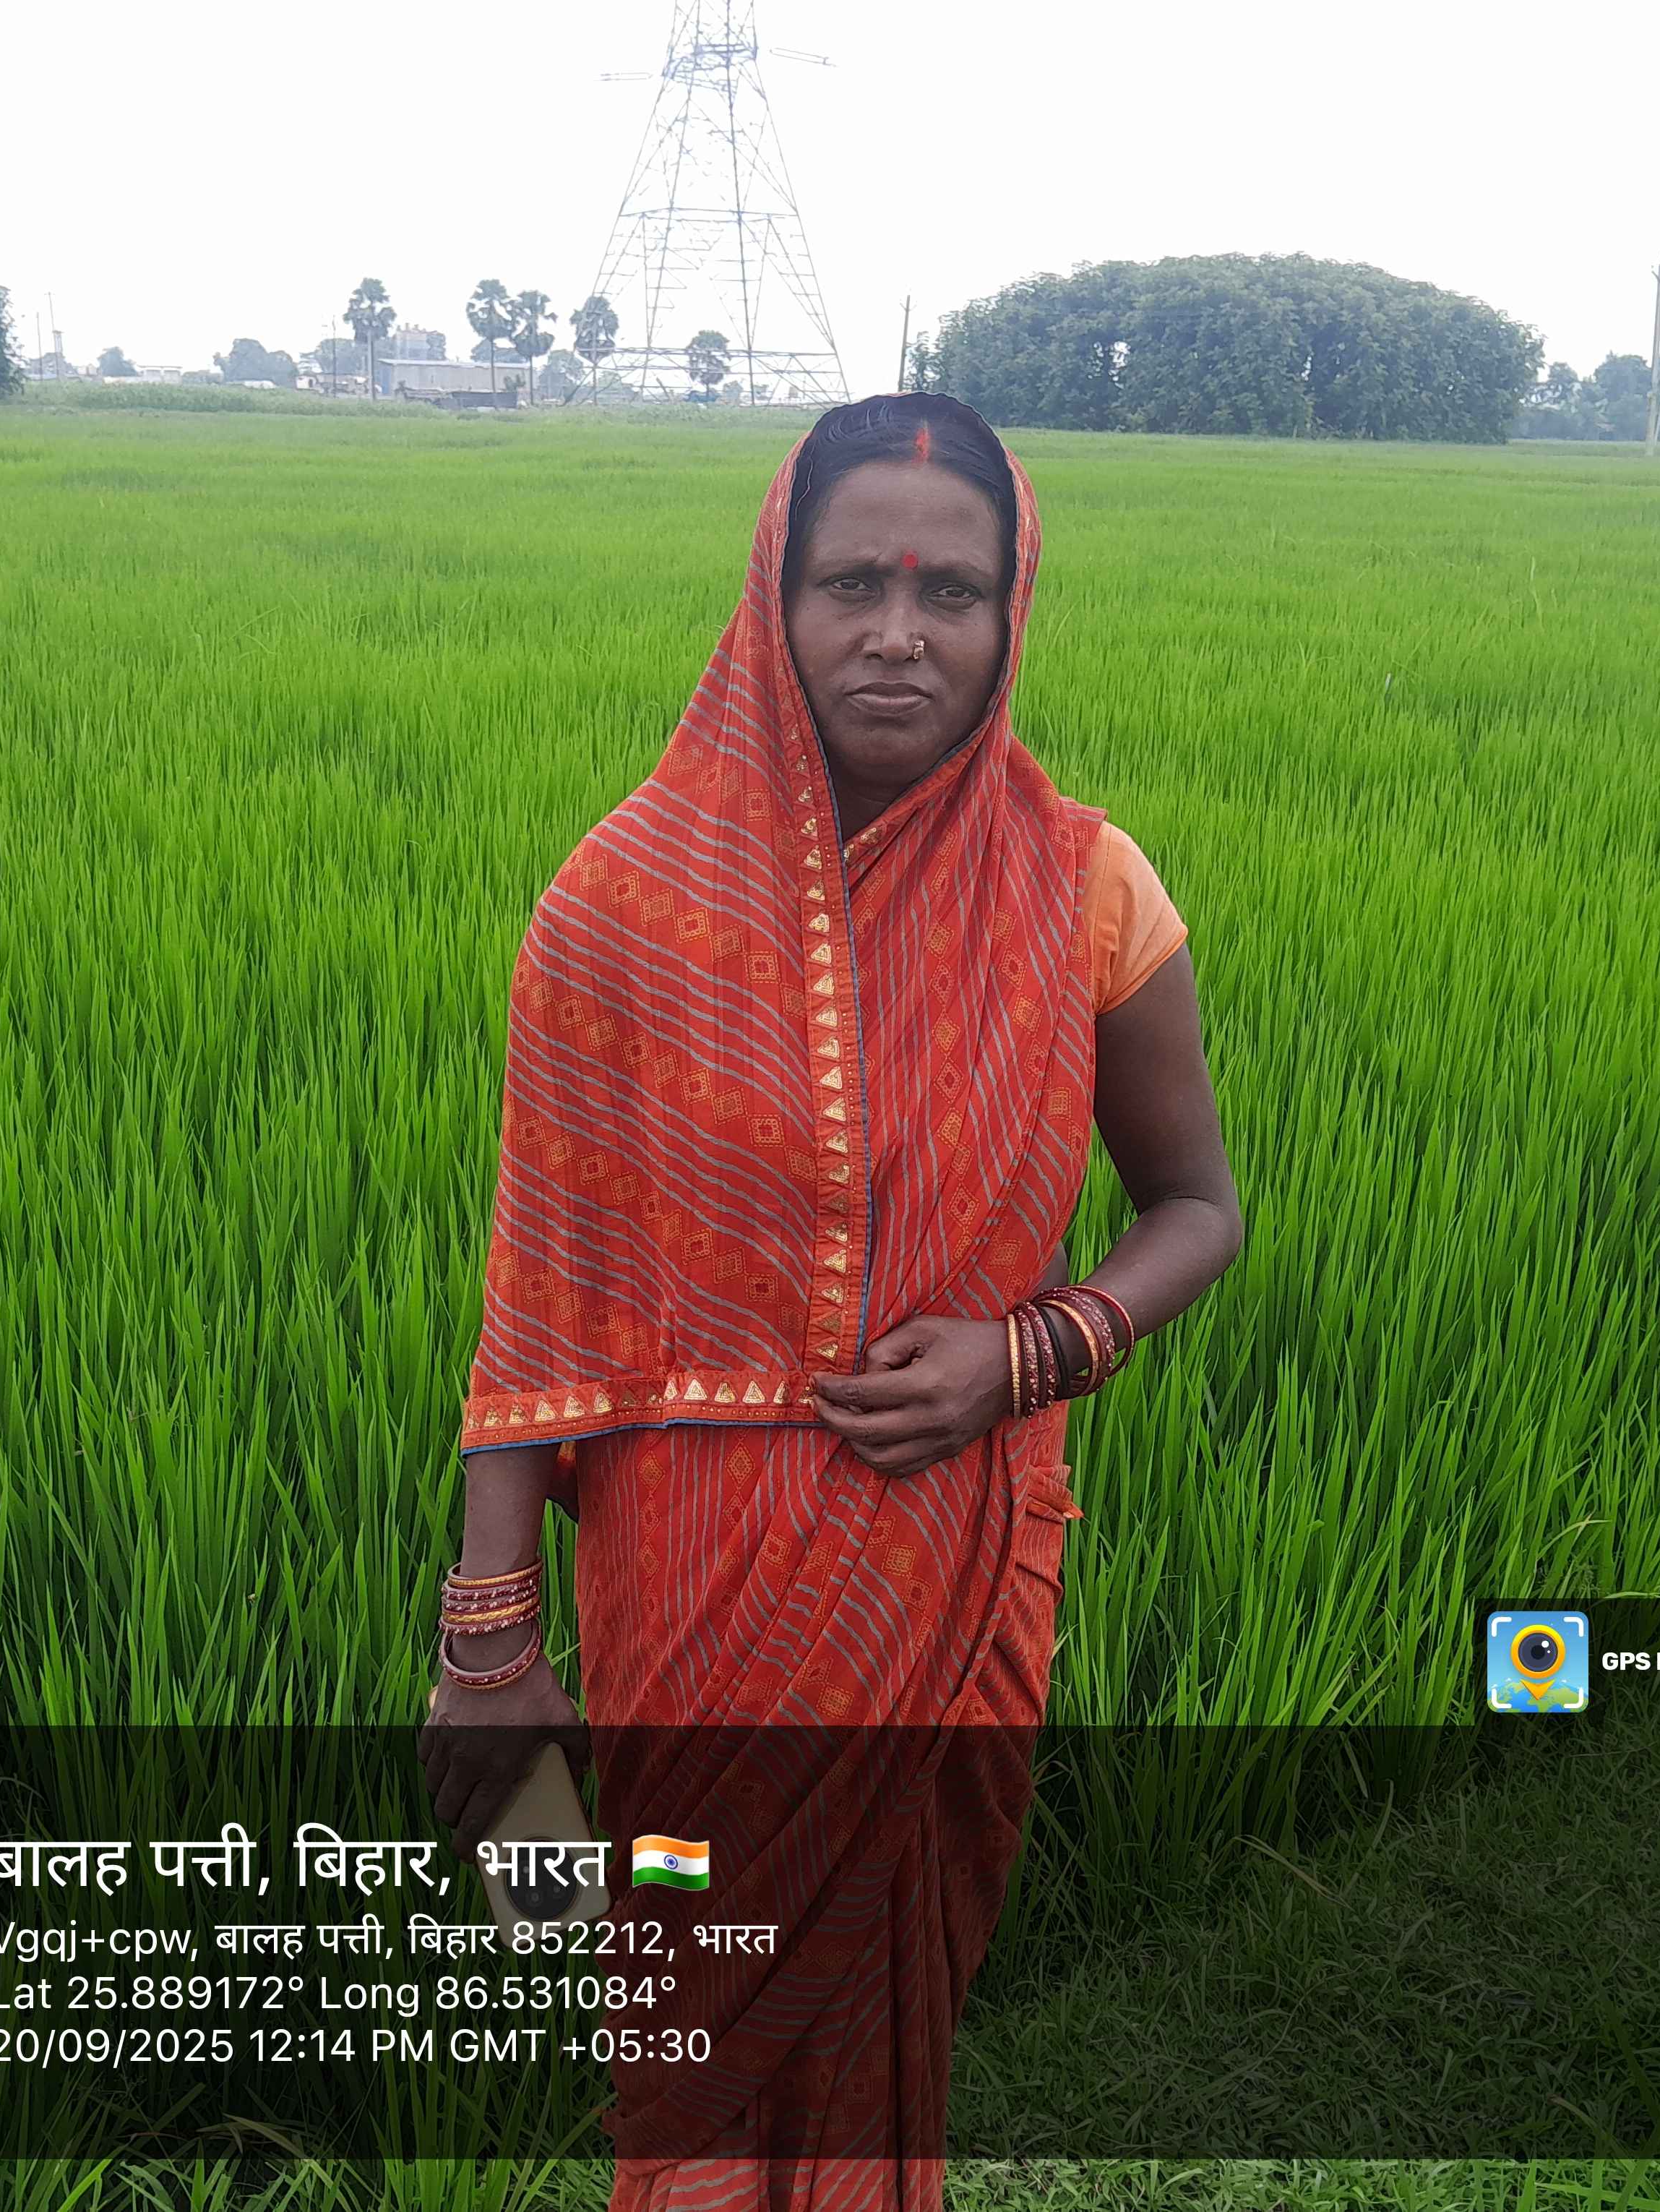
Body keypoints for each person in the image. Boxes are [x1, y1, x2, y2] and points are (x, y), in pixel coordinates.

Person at [418, 392, 1242, 2208]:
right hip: (689, 1589)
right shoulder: (621, 905)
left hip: (954, 1556)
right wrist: (491, 1641)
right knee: (685, 2037)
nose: (899, 632)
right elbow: (544, 1302)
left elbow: (1196, 1210)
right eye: (852, 583)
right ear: (772, 601)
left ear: (1011, 614)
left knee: (887, 2023)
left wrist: (1030, 1353)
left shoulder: (1085, 888)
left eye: (952, 592)